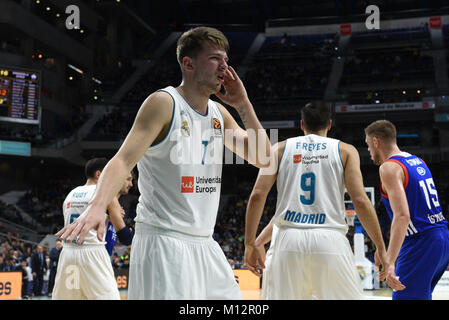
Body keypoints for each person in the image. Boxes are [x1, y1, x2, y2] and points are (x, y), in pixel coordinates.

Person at [56, 26, 271, 300]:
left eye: (227, 60)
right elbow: (122, 159)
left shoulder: (219, 113)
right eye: (216, 58)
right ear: (188, 63)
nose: (225, 67)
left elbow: (263, 158)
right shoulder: (163, 102)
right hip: (164, 241)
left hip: (205, 243)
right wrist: (98, 206)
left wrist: (243, 104)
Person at [244, 101, 390, 300]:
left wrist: (250, 243)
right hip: (330, 239)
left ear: (302, 125)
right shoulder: (346, 151)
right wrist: (381, 247)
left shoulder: (278, 149)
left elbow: (257, 196)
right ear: (329, 124)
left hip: (287, 240)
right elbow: (361, 201)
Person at [365, 119, 449, 300]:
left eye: (368, 146)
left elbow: (402, 216)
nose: (369, 152)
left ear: (376, 142)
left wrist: (389, 261)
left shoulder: (388, 167)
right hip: (441, 236)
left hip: (420, 242)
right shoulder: (417, 161)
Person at [52, 158, 128, 300]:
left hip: (68, 252)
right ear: (99, 174)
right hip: (92, 252)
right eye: (108, 173)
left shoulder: (70, 194)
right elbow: (124, 236)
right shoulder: (104, 193)